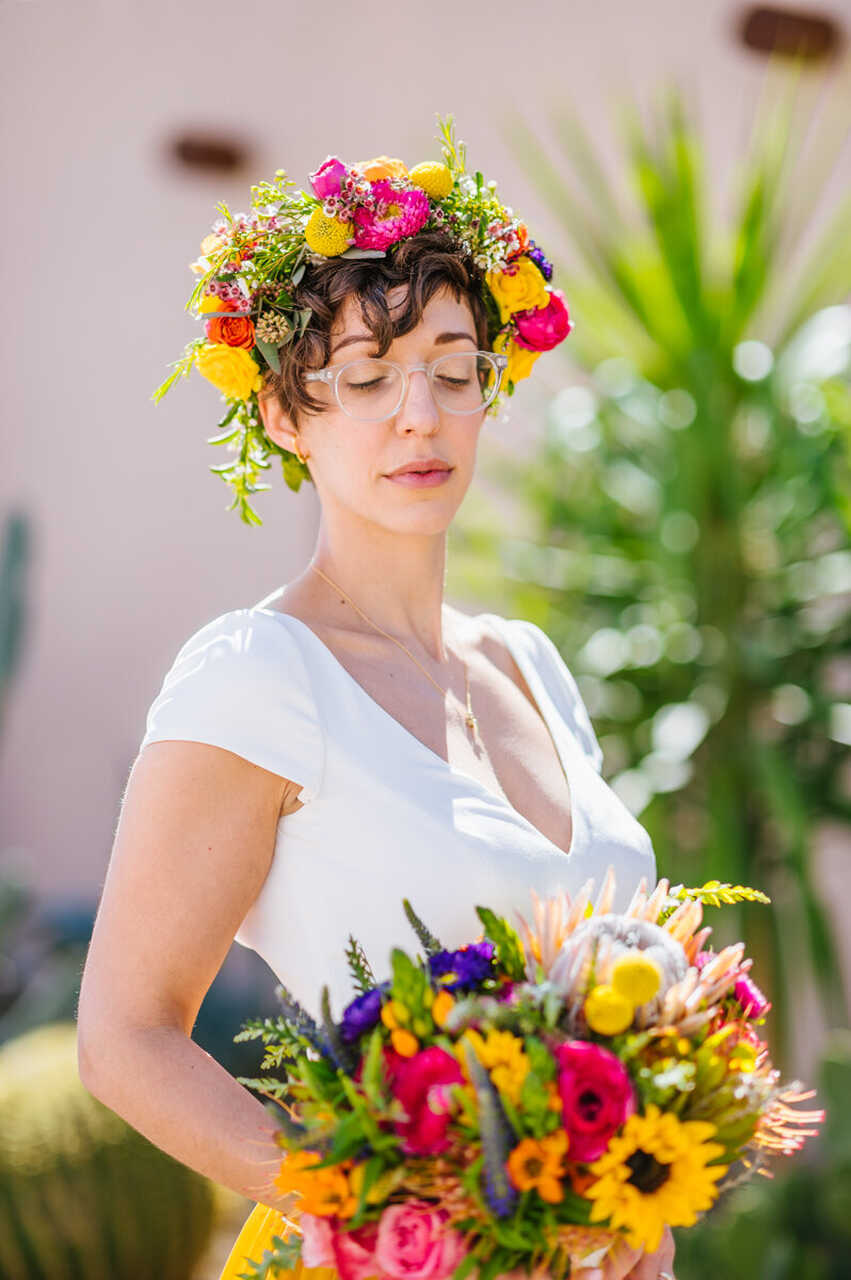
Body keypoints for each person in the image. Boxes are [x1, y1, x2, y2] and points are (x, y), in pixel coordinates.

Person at [76, 125, 677, 1280]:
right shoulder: (257, 673)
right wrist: (382, 1206)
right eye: (365, 377)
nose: (420, 414)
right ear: (284, 416)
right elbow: (125, 1035)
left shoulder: (528, 664)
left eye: (454, 372)